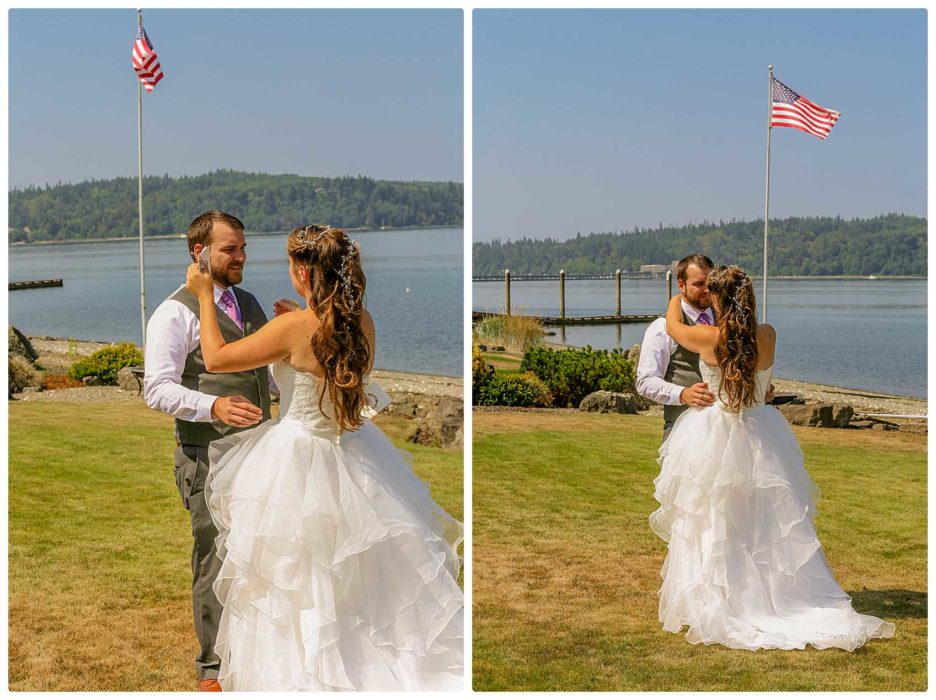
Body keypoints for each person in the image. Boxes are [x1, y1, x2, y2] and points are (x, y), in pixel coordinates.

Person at [184, 225, 464, 691]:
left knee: (296, 581)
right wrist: (303, 317)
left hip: (296, 461)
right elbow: (334, 367)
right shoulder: (362, 323)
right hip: (358, 456)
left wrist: (204, 295)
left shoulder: (293, 328)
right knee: (362, 582)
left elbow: (215, 358)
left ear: (302, 270)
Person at [648, 265, 895, 651]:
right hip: (762, 430)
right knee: (765, 519)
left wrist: (677, 297)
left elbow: (672, 326)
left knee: (717, 517)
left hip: (718, 432)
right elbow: (759, 383)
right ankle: (774, 592)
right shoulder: (767, 335)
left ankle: (726, 597)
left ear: (717, 298)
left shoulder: (709, 337)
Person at [143, 210, 270, 691]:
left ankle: (255, 652)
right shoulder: (174, 312)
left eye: (242, 248)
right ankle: (212, 669)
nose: (240, 257)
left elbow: (269, 374)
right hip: (207, 458)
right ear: (200, 253)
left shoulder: (251, 303)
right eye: (229, 249)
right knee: (215, 557)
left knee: (259, 553)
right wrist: (213, 404)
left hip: (261, 456)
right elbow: (156, 389)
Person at [635, 254, 717, 440]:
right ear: (681, 285)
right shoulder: (661, 327)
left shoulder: (727, 322)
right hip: (682, 432)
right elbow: (645, 381)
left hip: (725, 432)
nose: (707, 290)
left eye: (711, 284)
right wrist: (682, 394)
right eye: (699, 284)